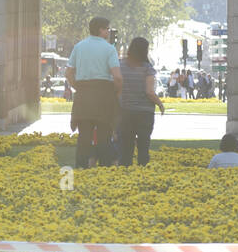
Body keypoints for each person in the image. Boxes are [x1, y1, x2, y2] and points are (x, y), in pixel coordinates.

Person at [66, 16, 123, 169]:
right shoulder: (109, 49)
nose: (109, 31)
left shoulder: (79, 47)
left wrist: (78, 87)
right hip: (103, 94)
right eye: (107, 28)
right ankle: (104, 168)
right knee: (104, 135)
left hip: (83, 95)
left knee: (84, 136)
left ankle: (80, 167)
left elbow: (69, 72)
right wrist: (117, 92)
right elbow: (117, 76)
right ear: (101, 30)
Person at [117, 36, 165, 166]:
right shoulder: (147, 68)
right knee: (143, 146)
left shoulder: (120, 65)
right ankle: (142, 172)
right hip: (144, 113)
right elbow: (149, 91)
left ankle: (124, 174)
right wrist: (160, 104)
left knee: (126, 147)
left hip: (125, 111)